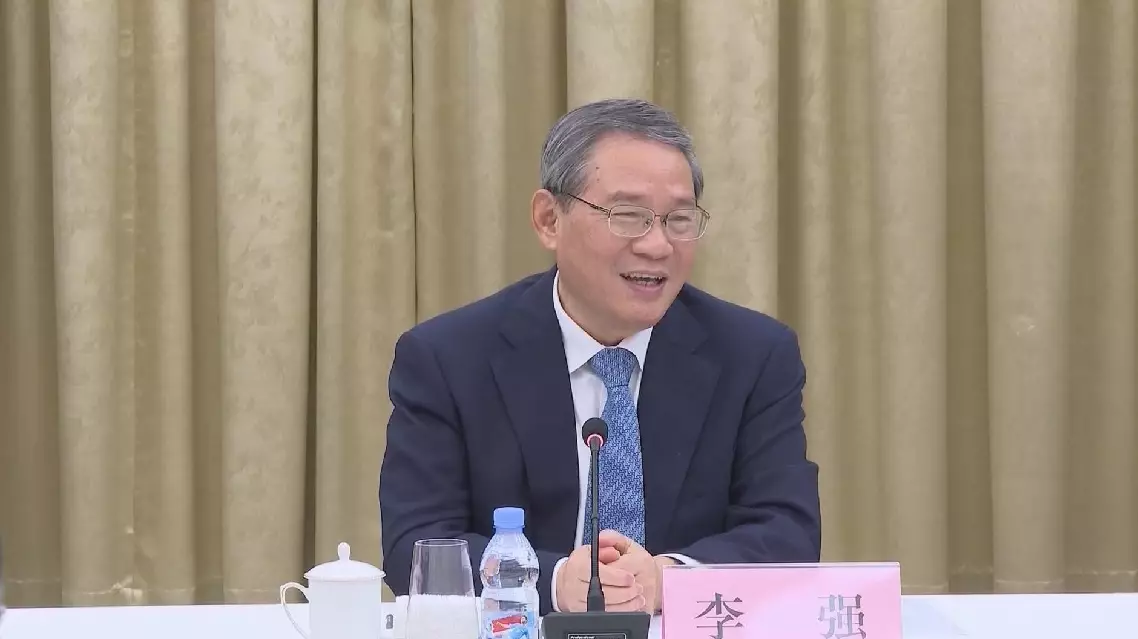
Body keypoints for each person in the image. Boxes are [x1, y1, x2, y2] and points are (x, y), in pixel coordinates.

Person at [379, 98, 821, 616]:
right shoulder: (448, 359)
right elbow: (417, 546)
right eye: (628, 216)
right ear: (549, 219)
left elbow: (788, 532)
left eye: (679, 220)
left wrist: (667, 578)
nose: (657, 246)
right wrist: (553, 581)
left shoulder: (753, 355)